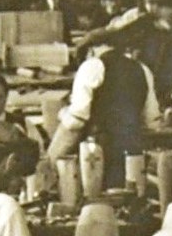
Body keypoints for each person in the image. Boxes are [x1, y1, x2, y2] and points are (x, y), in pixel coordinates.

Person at [45, 29, 159, 187]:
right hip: (133, 153)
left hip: (97, 155)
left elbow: (76, 120)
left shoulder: (91, 66)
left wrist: (50, 158)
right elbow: (152, 120)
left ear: (91, 50)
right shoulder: (142, 69)